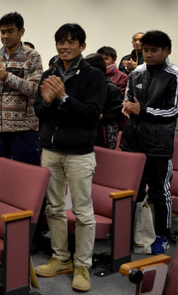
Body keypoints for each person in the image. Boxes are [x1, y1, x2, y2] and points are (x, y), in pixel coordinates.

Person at [34, 23, 106, 293]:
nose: (64, 46)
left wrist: (64, 98)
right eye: (60, 42)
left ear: (82, 46)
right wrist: (49, 101)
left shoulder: (94, 76)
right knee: (53, 208)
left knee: (83, 212)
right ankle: (61, 257)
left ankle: (82, 265)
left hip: (79, 153)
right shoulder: (49, 73)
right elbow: (40, 111)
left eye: (71, 42)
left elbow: (91, 116)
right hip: (50, 150)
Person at [120, 30, 178, 255]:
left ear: (167, 51)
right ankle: (133, 232)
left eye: (154, 50)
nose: (149, 54)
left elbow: (173, 110)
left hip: (158, 144)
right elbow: (127, 98)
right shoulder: (136, 73)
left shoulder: (174, 75)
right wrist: (127, 107)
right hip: (133, 141)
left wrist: (142, 111)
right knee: (132, 191)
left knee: (159, 192)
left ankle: (162, 236)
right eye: (146, 50)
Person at [0, 12, 43, 165]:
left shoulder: (32, 57)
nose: (5, 36)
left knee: (25, 176)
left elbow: (35, 89)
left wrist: (8, 77)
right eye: (2, 32)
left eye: (10, 31)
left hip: (23, 131)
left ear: (21, 32)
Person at [84, 53, 124, 149]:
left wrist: (101, 116)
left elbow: (119, 114)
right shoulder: (83, 86)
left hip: (104, 134)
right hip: (84, 133)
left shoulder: (111, 88)